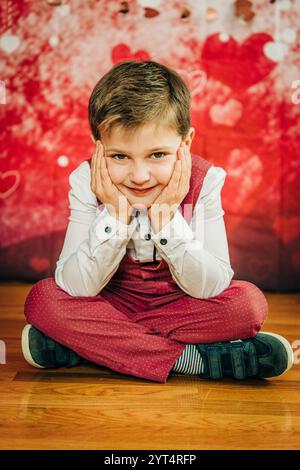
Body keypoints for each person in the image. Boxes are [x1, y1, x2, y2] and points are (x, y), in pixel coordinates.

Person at [21, 60, 293, 382]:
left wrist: (165, 220)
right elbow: (76, 286)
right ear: (99, 150)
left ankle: (85, 346)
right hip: (109, 299)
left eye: (157, 155)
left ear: (186, 144)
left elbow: (213, 286)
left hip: (180, 304)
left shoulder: (205, 181)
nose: (139, 176)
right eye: (120, 156)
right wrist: (116, 215)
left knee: (247, 305)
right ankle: (192, 360)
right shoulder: (85, 180)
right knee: (44, 300)